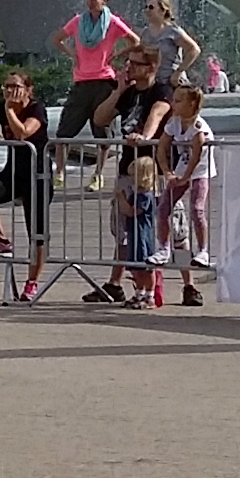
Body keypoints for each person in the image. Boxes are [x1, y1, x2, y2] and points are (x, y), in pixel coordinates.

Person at [83, 45, 172, 303]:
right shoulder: (129, 92)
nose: (128, 67)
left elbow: (157, 114)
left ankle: (182, 285)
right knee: (124, 231)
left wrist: (145, 136)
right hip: (128, 169)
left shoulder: (161, 91)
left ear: (151, 67)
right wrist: (119, 90)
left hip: (153, 170)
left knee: (165, 229)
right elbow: (100, 118)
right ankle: (117, 283)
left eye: (135, 63)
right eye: (128, 63)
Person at [0, 68, 50, 302]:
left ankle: (32, 282)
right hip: (12, 174)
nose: (10, 91)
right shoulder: (0, 108)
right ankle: (2, 240)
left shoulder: (36, 108)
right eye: (6, 86)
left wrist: (10, 111)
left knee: (37, 234)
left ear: (28, 90)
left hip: (38, 177)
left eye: (15, 87)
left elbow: (23, 133)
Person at [51, 0, 137, 191]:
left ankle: (98, 174)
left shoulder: (113, 22)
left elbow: (135, 41)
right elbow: (57, 39)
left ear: (104, 0)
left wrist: (117, 55)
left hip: (104, 81)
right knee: (65, 130)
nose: (89, 2)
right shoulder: (78, 21)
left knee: (103, 132)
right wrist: (73, 54)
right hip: (81, 81)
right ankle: (59, 172)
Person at [156, 82, 215, 304]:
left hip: (200, 171)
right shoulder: (174, 123)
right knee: (164, 207)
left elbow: (196, 158)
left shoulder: (199, 128)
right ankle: (163, 248)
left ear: (191, 104)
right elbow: (162, 147)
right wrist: (167, 173)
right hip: (182, 169)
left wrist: (186, 177)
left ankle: (203, 250)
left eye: (179, 100)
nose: (174, 103)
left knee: (197, 209)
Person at [112, 154, 161, 309]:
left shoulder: (145, 196)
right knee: (135, 267)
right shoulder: (136, 194)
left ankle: (149, 295)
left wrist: (121, 199)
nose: (131, 179)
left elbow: (132, 211)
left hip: (142, 235)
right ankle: (139, 292)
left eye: (134, 176)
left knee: (145, 267)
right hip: (134, 234)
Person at [141, 0, 201, 87]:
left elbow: (194, 50)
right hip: (153, 83)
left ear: (163, 11)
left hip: (171, 83)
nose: (147, 10)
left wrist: (178, 72)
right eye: (146, 7)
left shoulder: (173, 31)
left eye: (151, 7)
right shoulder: (145, 33)